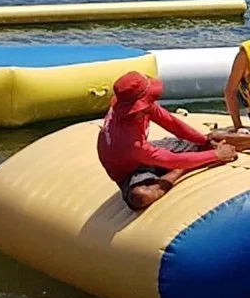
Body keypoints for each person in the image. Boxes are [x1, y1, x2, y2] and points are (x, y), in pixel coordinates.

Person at [97, 71, 236, 211]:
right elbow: (169, 159)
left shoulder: (142, 107)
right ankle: (180, 170)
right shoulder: (131, 142)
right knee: (140, 197)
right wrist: (216, 155)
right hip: (130, 171)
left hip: (146, 152)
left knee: (206, 143)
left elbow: (172, 123)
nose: (151, 103)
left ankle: (200, 151)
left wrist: (204, 139)